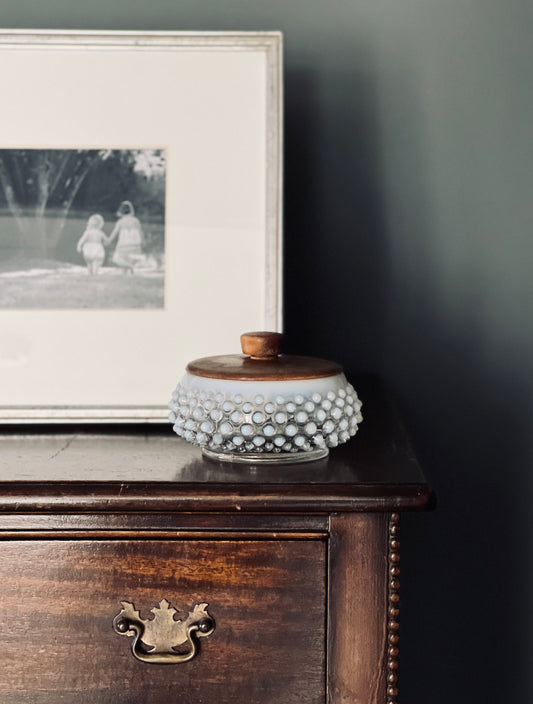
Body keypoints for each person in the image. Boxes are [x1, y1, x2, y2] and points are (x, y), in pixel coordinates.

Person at [107, 201, 145, 274]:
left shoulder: (120, 222)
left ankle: (129, 267)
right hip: (135, 246)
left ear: (121, 211)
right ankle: (129, 270)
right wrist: (143, 242)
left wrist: (108, 241)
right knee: (129, 261)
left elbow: (114, 233)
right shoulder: (136, 220)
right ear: (131, 210)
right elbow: (140, 232)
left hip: (123, 246)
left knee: (116, 258)